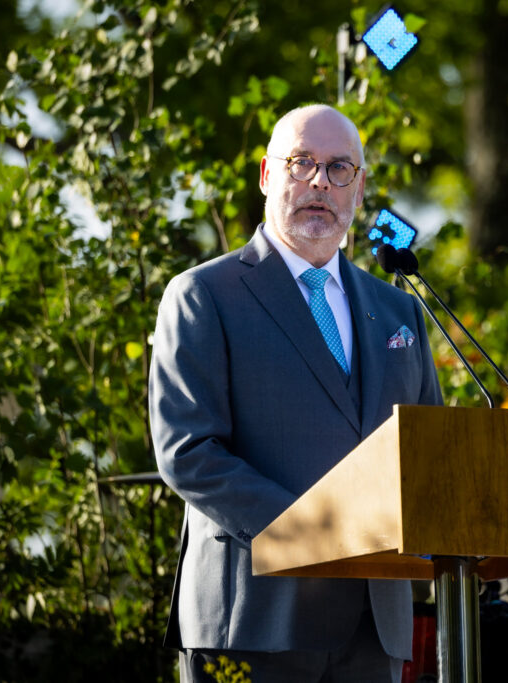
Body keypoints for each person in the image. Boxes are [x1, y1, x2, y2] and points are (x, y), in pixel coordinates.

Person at [149, 104, 443, 682]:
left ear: (358, 190)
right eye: (301, 163)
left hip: (373, 626)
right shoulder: (204, 295)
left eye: (339, 170)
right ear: (266, 175)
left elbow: (428, 450)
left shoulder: (398, 309)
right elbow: (187, 451)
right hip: (255, 619)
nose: (319, 183)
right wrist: (313, 532)